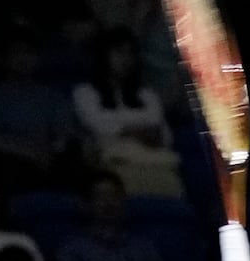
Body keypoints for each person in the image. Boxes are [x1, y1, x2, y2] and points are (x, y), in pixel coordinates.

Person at [70, 30, 180, 196]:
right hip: (113, 163)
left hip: (155, 161)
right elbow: (98, 125)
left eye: (130, 53)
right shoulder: (85, 92)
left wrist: (124, 130)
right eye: (119, 52)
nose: (125, 59)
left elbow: (163, 135)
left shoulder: (147, 95)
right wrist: (137, 130)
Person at [0, 29, 80, 191]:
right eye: (16, 53)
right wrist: (28, 153)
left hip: (49, 158)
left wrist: (49, 151)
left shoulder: (52, 95)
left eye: (29, 53)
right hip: (9, 160)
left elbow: (64, 132)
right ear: (5, 58)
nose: (23, 59)